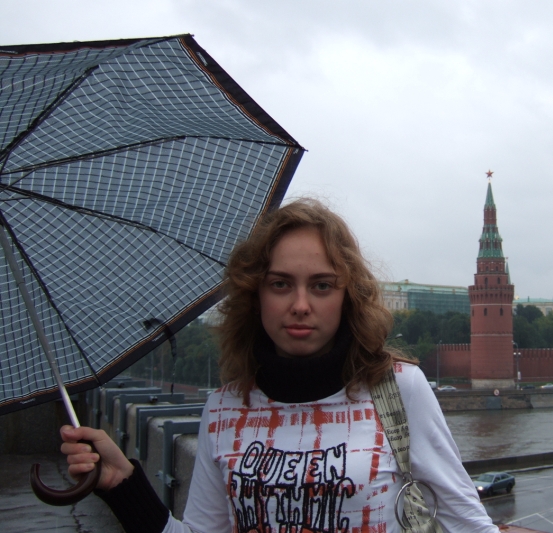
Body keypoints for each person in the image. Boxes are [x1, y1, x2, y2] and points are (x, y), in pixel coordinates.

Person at [61, 199, 499, 533]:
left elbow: (469, 525)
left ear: (348, 296)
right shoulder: (225, 408)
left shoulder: (398, 389)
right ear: (255, 295)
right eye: (281, 284)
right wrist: (123, 485)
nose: (301, 305)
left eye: (322, 286)